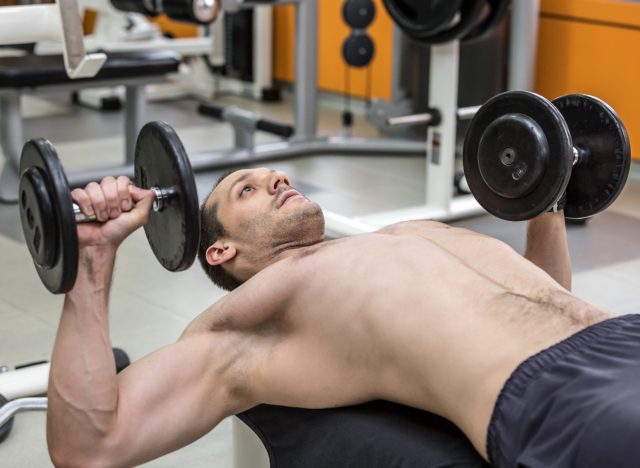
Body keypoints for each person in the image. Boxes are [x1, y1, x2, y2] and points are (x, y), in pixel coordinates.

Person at [47, 168, 638, 468]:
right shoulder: (251, 322)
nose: (278, 178)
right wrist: (91, 264)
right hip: (561, 404)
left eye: (272, 176)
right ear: (221, 251)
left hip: (619, 336)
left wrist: (549, 201)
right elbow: (89, 447)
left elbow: (543, 297)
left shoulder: (404, 235)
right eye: (246, 191)